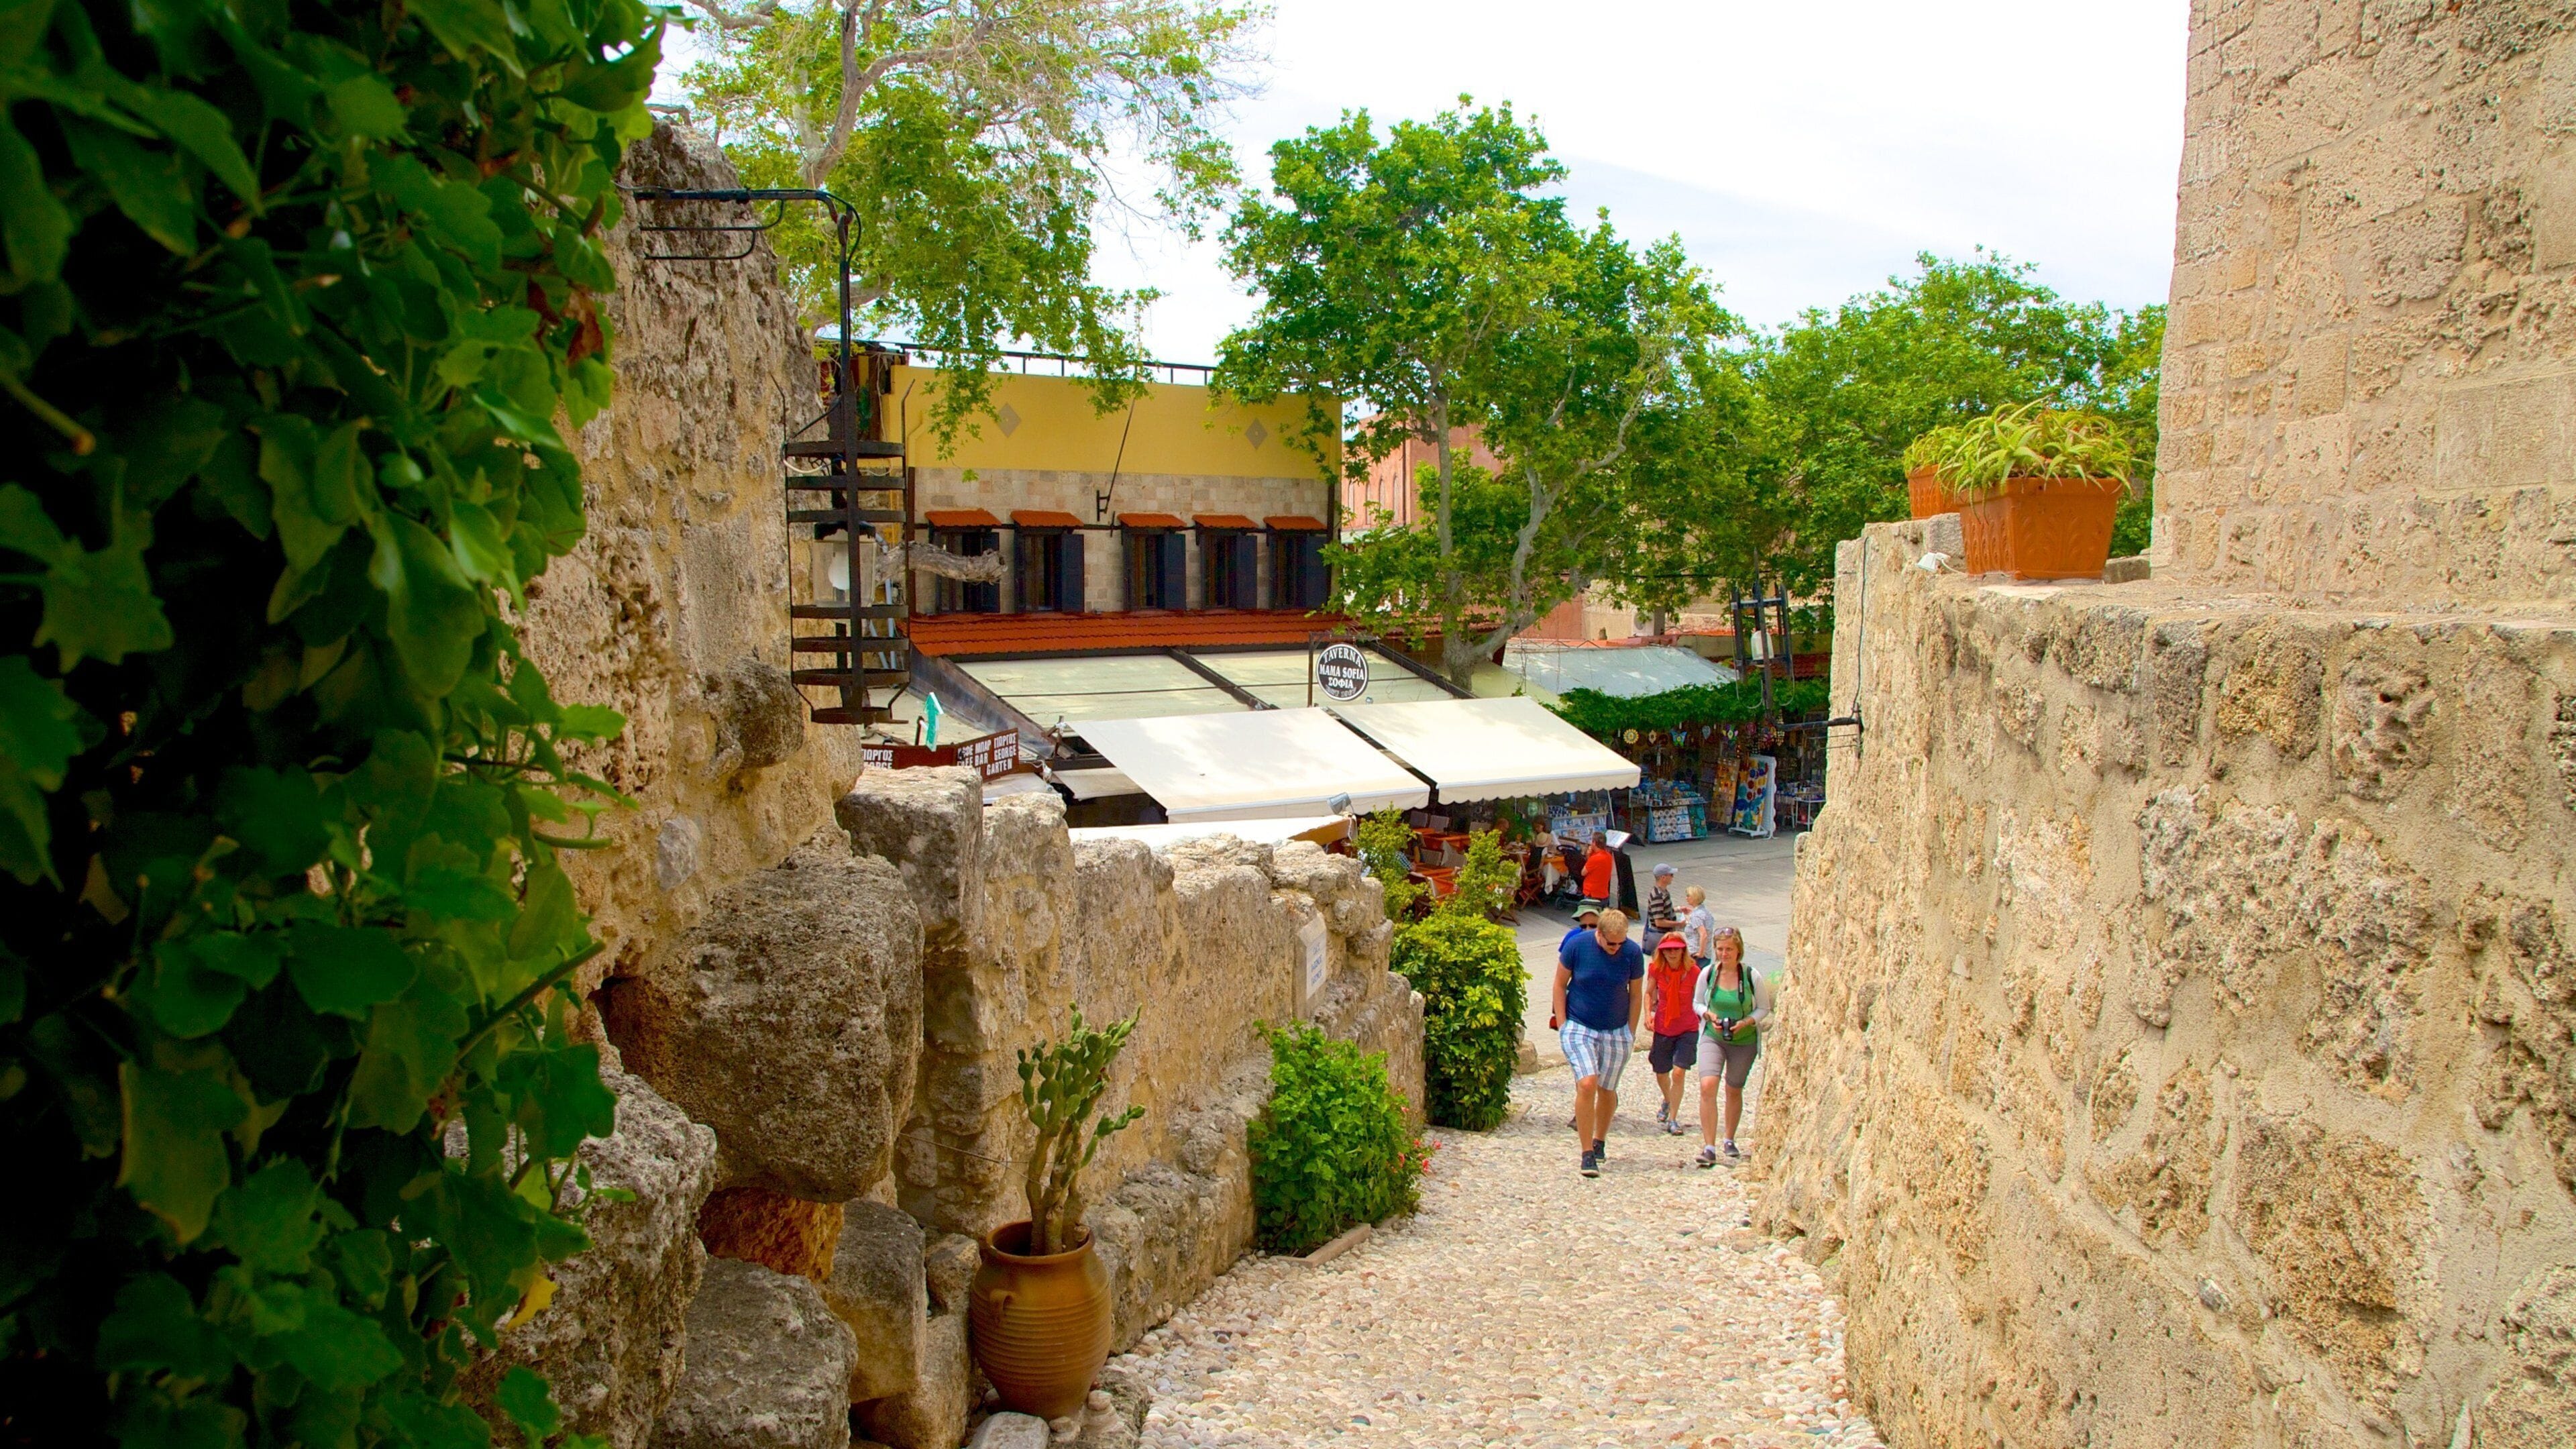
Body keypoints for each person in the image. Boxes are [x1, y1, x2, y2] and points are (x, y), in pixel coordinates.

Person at [1553, 906, 1644, 1178]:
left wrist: (1630, 1030)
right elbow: (1560, 984)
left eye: (1621, 942)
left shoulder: (1632, 953)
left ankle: (1600, 1140)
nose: (1616, 948)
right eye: (1611, 943)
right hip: (1580, 1025)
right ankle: (1586, 1153)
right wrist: (1562, 1023)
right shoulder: (1577, 946)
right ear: (1599, 935)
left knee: (1607, 1089)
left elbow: (1636, 994)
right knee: (1587, 1083)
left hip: (1616, 1030)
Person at [1695, 926, 1772, 1167]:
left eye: (1729, 949)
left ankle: (1729, 1138)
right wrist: (1709, 1015)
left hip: (1744, 1040)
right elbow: (1697, 1003)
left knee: (1733, 1089)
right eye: (1720, 949)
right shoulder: (1708, 973)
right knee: (1708, 1086)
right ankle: (1709, 1146)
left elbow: (1763, 1008)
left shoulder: (1751, 976)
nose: (1724, 954)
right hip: (1713, 1037)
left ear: (1739, 950)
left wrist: (1746, 1022)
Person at [1642, 932, 1700, 1134]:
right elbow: (1649, 992)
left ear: (1683, 950)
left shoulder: (1693, 972)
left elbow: (1701, 998)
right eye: (1668, 950)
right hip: (1664, 1026)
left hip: (1687, 1027)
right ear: (1662, 952)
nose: (1673, 953)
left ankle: (1673, 1119)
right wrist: (1647, 1014)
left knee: (1678, 1072)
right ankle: (1668, 1099)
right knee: (1661, 1071)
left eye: (1676, 949)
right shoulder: (1657, 970)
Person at [1682, 885, 1718, 967]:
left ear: (1694, 897)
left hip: (1696, 955)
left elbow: (1703, 934)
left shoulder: (1696, 915)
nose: (1686, 898)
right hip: (1707, 954)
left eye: (1688, 896)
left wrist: (1700, 953)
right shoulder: (1706, 912)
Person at [1646, 863, 1681, 938]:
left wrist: (1678, 909)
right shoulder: (1658, 896)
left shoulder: (1663, 891)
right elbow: (1659, 922)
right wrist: (1679, 924)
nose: (1673, 877)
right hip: (1661, 935)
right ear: (1663, 877)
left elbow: (1662, 911)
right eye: (1671, 875)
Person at [1580, 835, 1616, 906]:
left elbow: (1583, 873)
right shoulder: (1608, 856)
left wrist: (1588, 856)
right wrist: (1589, 855)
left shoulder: (1595, 858)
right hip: (1603, 893)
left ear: (1594, 843)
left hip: (1592, 894)